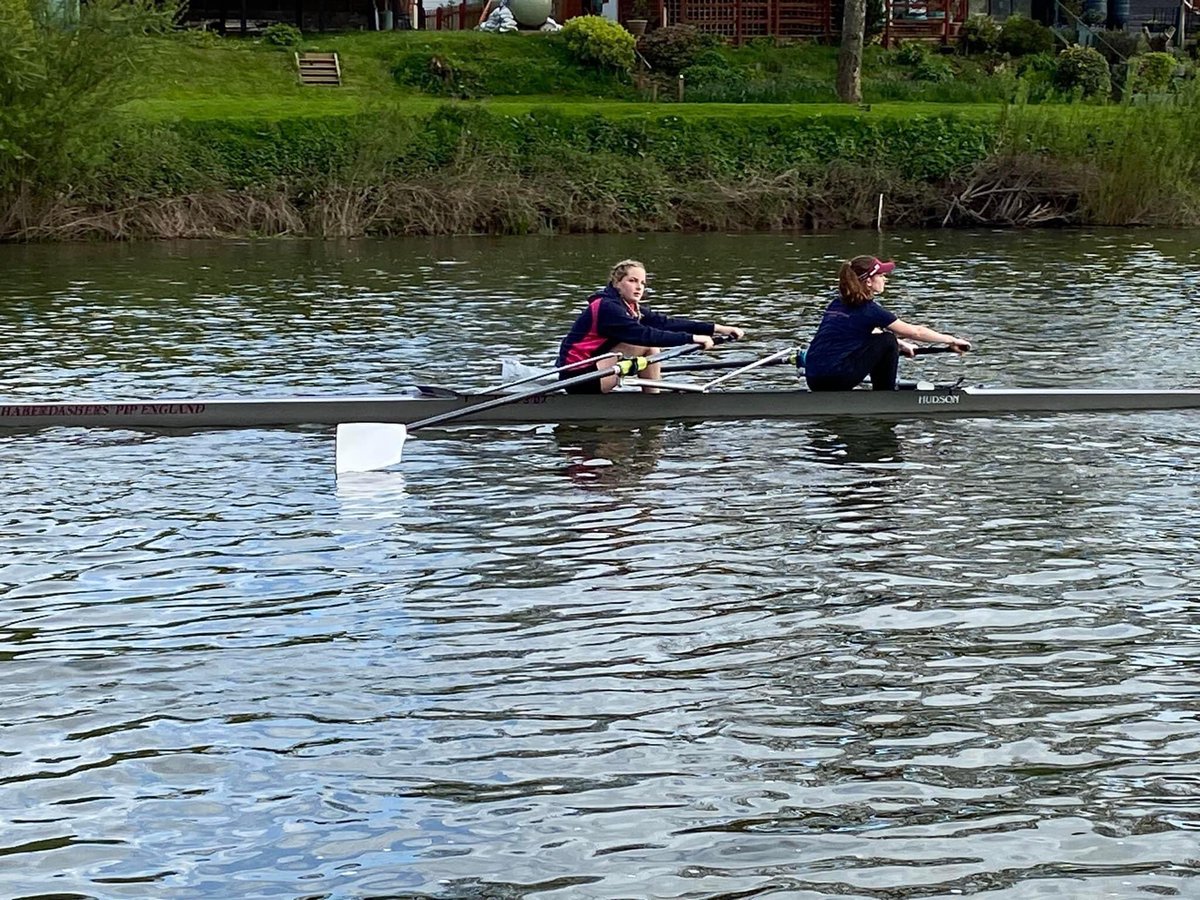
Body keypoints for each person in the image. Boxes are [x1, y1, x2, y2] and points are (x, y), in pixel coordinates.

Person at [557, 259, 745, 394]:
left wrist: (718, 328)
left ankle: (652, 398)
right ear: (617, 283)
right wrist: (692, 339)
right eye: (632, 281)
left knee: (652, 344)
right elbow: (643, 335)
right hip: (577, 378)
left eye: (643, 283)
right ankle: (653, 401)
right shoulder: (608, 307)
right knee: (650, 344)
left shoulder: (629, 307)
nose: (639, 287)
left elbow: (666, 323)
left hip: (597, 370)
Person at [803, 255, 970, 391]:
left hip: (814, 379)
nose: (885, 280)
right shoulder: (870, 310)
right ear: (868, 282)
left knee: (888, 340)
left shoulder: (836, 304)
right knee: (888, 340)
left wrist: (902, 345)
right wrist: (952, 340)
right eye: (881, 276)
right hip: (836, 378)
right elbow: (915, 332)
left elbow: (867, 332)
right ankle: (884, 395)